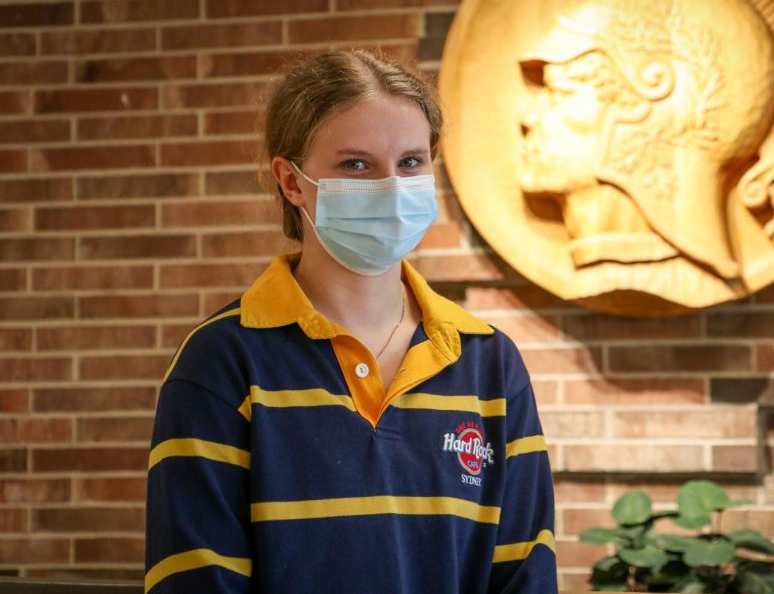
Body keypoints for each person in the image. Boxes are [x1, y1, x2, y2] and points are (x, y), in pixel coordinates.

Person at [144, 50, 557, 593]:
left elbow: (524, 571)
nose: (390, 186)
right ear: (292, 182)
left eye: (410, 162)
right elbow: (196, 579)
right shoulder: (222, 360)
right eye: (356, 165)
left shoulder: (488, 360)